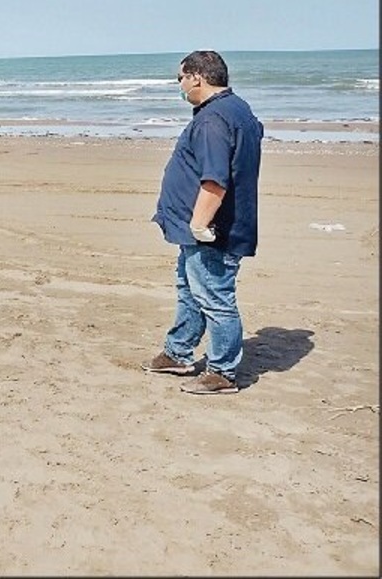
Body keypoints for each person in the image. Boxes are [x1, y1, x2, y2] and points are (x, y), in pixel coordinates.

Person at [142, 50, 263, 395]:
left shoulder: (214, 119)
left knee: (214, 296)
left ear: (197, 77)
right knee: (189, 289)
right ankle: (178, 352)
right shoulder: (235, 109)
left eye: (180, 78)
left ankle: (222, 372)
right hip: (200, 230)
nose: (179, 86)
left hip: (212, 231)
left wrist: (199, 223)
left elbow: (215, 179)